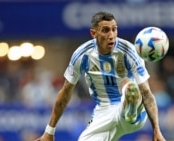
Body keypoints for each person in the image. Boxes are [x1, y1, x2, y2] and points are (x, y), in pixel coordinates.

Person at [34, 11, 166, 141]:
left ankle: (129, 107)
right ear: (94, 33)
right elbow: (65, 93)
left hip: (134, 111)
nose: (111, 35)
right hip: (103, 112)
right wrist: (49, 131)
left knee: (129, 85)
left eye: (114, 30)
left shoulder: (129, 51)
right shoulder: (82, 55)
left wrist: (157, 130)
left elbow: (147, 93)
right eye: (106, 30)